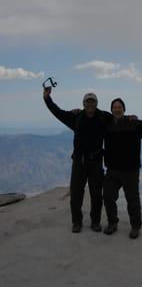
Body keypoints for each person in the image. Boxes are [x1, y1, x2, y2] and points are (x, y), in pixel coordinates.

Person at [43, 86, 112, 233]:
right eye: (88, 102)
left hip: (96, 161)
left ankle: (95, 222)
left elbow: (118, 117)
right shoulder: (76, 117)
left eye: (93, 102)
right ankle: (77, 222)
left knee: (96, 194)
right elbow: (58, 112)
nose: (90, 104)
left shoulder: (104, 117)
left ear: (96, 103)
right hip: (79, 162)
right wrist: (47, 98)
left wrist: (129, 117)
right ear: (84, 103)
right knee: (75, 193)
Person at [103, 93, 142, 239]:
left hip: (130, 170)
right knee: (108, 196)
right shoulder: (107, 125)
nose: (117, 109)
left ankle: (135, 226)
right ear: (111, 110)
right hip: (112, 169)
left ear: (124, 109)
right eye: (114, 107)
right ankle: (112, 223)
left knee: (132, 199)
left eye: (119, 107)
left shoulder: (133, 123)